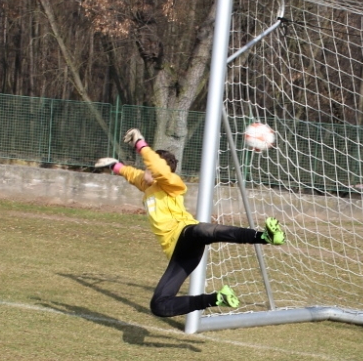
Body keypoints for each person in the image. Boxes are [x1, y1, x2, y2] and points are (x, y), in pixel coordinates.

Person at [95, 128, 284, 318]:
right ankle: (216, 299)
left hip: (186, 233)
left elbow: (158, 169)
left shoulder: (173, 184)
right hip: (180, 255)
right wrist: (114, 166)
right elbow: (133, 174)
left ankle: (264, 236)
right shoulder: (148, 185)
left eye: (152, 167)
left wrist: (141, 145)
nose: (147, 170)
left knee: (201, 230)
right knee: (159, 305)